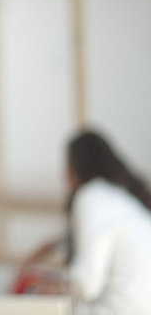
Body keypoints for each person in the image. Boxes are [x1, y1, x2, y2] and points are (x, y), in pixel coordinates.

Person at [66, 130, 151, 314]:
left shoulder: (90, 195)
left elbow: (87, 284)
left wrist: (57, 284)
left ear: (76, 167)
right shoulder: (122, 200)